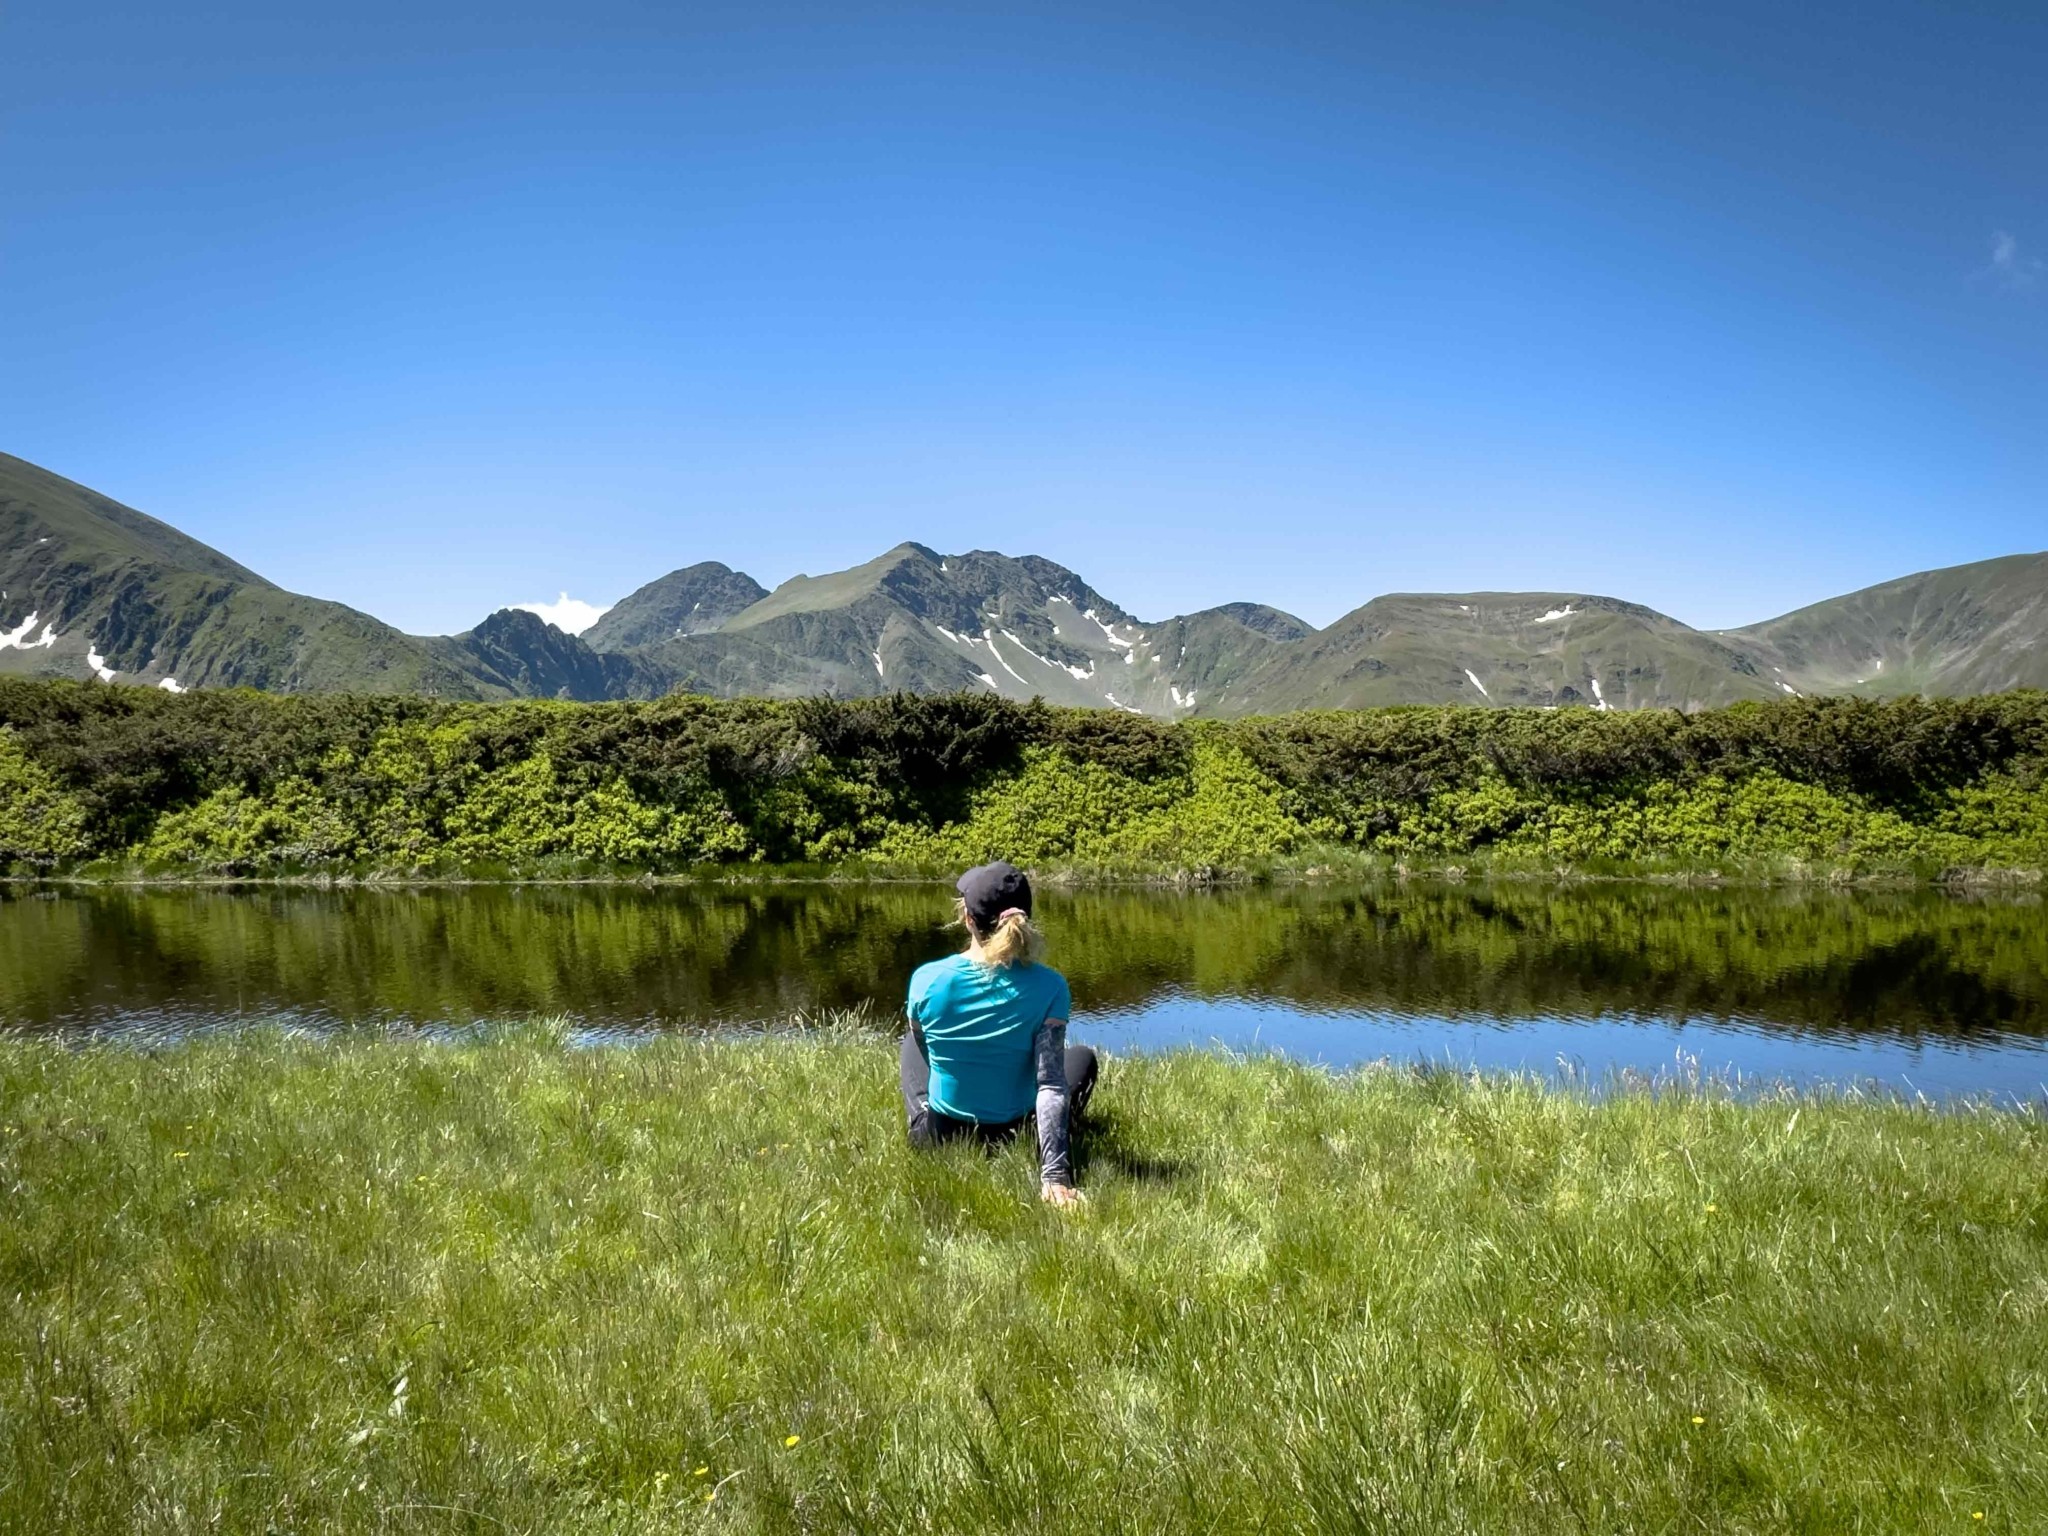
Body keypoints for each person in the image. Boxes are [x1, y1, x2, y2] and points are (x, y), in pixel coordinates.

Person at [900, 861, 1098, 1208]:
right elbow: (1051, 1084)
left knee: (911, 1043)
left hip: (941, 1138)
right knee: (1081, 1058)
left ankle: (923, 1115)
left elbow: (926, 1050)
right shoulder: (1051, 986)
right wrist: (1055, 1177)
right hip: (1017, 1131)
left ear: (968, 920)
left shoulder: (928, 979)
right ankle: (1055, 1131)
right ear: (1024, 921)